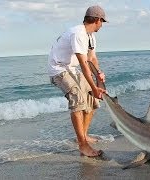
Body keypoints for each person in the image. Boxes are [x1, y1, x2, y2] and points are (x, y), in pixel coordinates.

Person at [48, 5, 107, 157]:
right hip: (59, 69)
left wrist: (98, 76)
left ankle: (83, 135)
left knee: (94, 100)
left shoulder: (90, 36)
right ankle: (82, 145)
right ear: (98, 20)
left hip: (72, 69)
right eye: (102, 22)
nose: (102, 25)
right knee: (78, 100)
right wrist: (94, 87)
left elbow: (92, 59)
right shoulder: (78, 33)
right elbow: (83, 63)